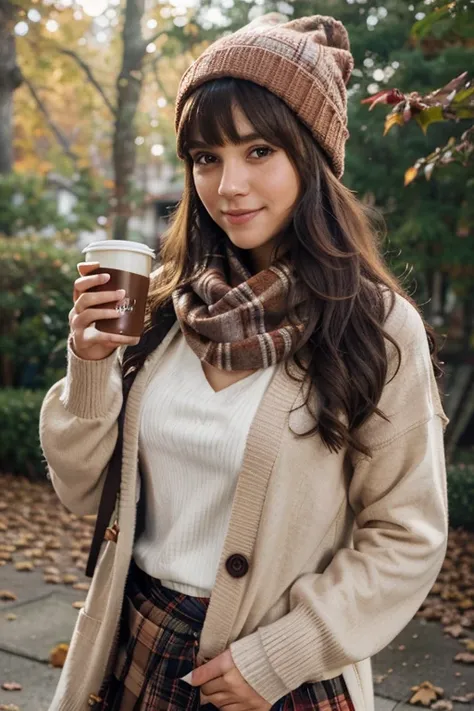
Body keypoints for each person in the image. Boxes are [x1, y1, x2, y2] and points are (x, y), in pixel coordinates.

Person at [39, 12, 450, 711]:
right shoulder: (167, 311)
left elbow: (407, 533)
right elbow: (82, 492)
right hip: (135, 644)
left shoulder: (376, 327)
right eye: (206, 156)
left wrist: (282, 652)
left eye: (259, 151)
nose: (228, 184)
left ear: (312, 156)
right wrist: (89, 364)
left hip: (277, 679)